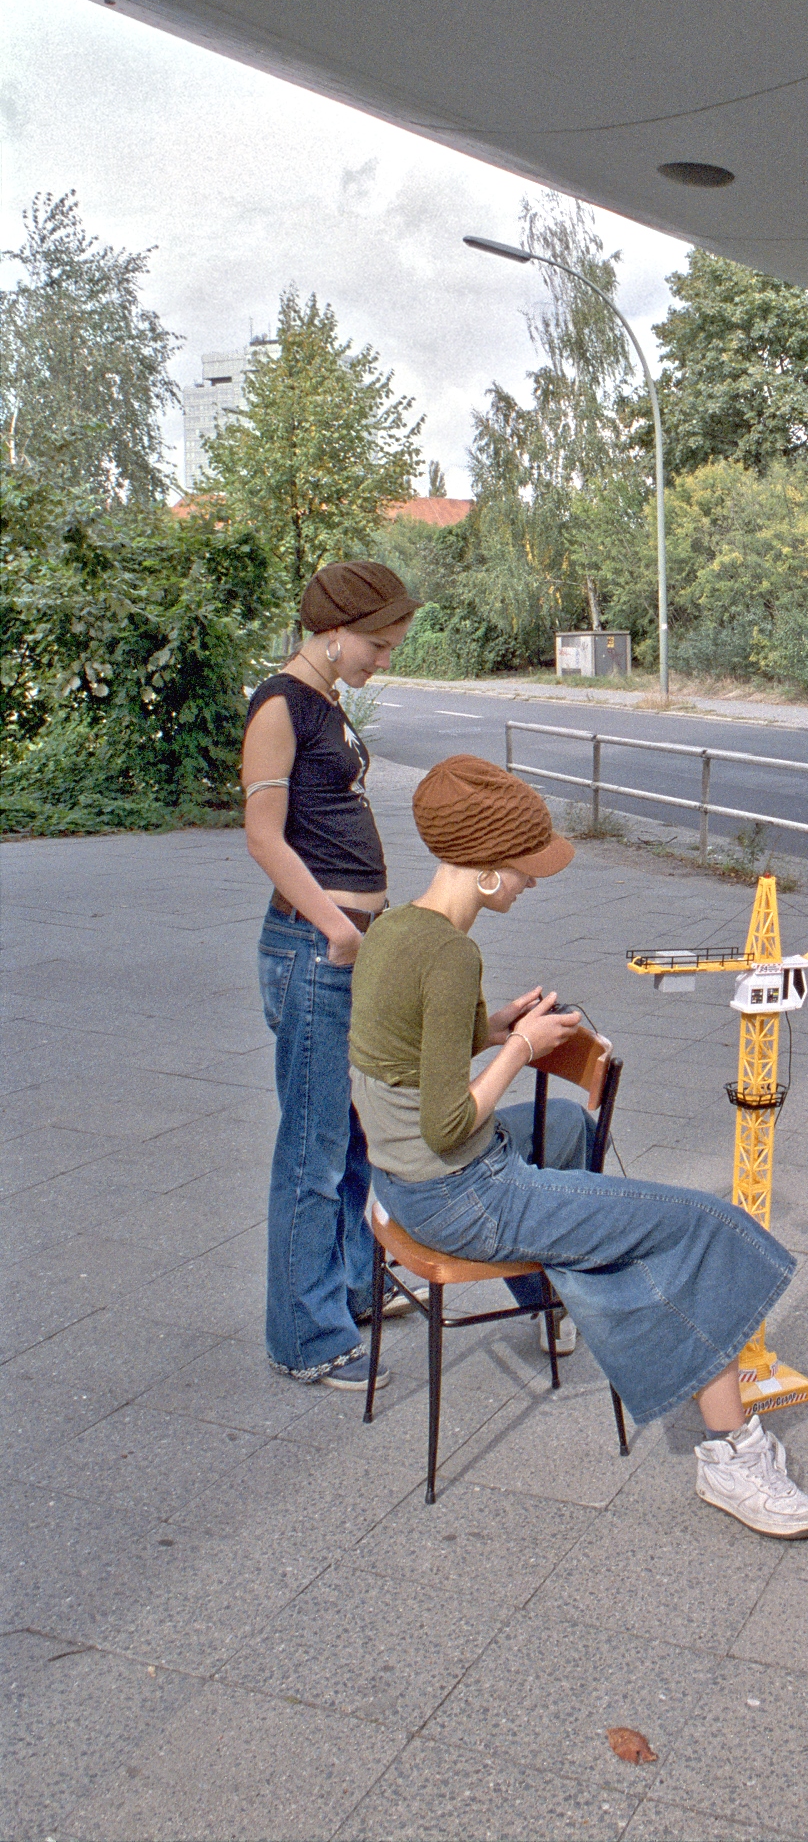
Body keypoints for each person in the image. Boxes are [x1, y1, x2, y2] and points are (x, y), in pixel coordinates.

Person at [348, 754, 808, 1539]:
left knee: (572, 1132)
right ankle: (731, 1455)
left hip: (398, 1182)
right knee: (696, 1224)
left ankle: (565, 1297)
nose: (533, 881)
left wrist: (496, 1024)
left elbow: (410, 1051)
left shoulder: (398, 928)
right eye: (525, 868)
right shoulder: (450, 953)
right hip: (459, 1193)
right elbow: (446, 1123)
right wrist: (520, 1048)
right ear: (490, 868)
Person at [242, 559, 417, 1390]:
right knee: (312, 1147)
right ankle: (305, 1337)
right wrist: (336, 927)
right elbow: (265, 837)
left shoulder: (324, 701)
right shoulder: (280, 703)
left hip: (342, 944)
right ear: (334, 629)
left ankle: (346, 1289)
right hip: (316, 949)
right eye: (377, 644)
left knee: (348, 1137)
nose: (383, 658)